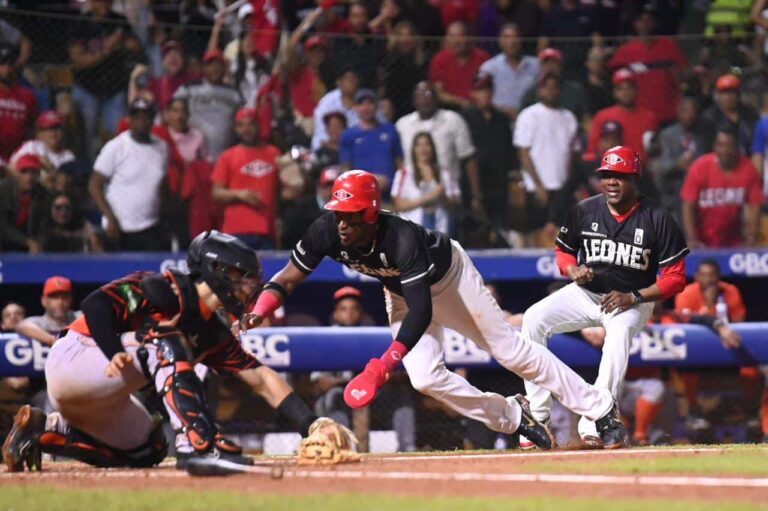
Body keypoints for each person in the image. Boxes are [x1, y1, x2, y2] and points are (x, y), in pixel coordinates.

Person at [238, 170, 629, 451]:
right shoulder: (326, 229)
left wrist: (380, 367)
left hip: (450, 280)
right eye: (339, 213)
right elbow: (288, 277)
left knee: (509, 351)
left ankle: (601, 408)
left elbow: (422, 312)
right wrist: (261, 307)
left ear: (371, 213)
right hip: (402, 291)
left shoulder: (401, 238)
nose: (343, 223)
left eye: (352, 214)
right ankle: (512, 416)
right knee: (424, 378)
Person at [2, 231, 327, 473]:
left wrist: (314, 426)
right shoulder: (163, 287)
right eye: (241, 278)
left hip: (105, 395)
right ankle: (197, 446)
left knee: (149, 449)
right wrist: (114, 349)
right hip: (76, 358)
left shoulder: (211, 329)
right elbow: (95, 304)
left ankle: (44, 430)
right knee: (167, 339)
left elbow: (261, 379)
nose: (248, 288)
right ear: (217, 270)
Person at [519, 146, 689, 449]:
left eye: (619, 176)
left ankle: (597, 420)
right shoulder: (585, 209)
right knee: (533, 318)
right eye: (607, 175)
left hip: (631, 300)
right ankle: (538, 416)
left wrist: (634, 296)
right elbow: (563, 252)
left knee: (619, 334)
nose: (611, 181)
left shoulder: (657, 218)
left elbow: (676, 278)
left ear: (635, 179)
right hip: (586, 293)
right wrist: (572, 270)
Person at [311, 286, 417, 452]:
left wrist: (373, 382)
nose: (349, 313)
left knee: (400, 396)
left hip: (376, 397)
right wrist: (356, 383)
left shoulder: (374, 334)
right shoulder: (327, 337)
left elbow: (397, 374)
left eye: (354, 309)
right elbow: (320, 382)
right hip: (342, 396)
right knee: (333, 396)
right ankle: (341, 448)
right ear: (336, 313)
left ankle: (408, 447)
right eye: (344, 309)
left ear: (361, 312)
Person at [89, 98, 171, 251]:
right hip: (120, 228)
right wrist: (110, 218)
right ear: (130, 119)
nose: (142, 121)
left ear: (153, 119)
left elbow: (162, 185)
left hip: (150, 226)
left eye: (146, 117)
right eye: (137, 117)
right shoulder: (116, 146)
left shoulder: (162, 148)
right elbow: (95, 185)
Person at [396, 82, 483, 223]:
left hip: (447, 196)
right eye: (419, 95)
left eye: (428, 94)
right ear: (413, 100)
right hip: (413, 199)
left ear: (436, 97)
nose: (424, 99)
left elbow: (468, 158)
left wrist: (476, 195)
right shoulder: (402, 125)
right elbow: (398, 160)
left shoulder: (453, 120)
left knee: (444, 241)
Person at [514, 73, 579, 247]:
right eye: (546, 86)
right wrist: (538, 185)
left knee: (561, 239)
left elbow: (573, 153)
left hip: (562, 189)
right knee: (535, 237)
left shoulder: (569, 117)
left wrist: (570, 186)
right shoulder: (529, 115)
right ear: (539, 89)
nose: (551, 91)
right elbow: (523, 153)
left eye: (554, 87)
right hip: (537, 188)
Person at [680, 126, 762, 248]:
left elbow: (755, 206)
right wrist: (692, 239)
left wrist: (751, 238)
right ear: (714, 147)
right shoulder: (700, 167)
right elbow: (688, 206)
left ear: (737, 147)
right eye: (720, 145)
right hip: (702, 241)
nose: (725, 150)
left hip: (735, 241)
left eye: (729, 145)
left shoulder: (748, 169)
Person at [211, 108, 281, 250]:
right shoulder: (228, 156)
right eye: (241, 125)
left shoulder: (274, 153)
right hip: (236, 231)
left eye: (250, 124)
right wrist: (239, 194)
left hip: (267, 230)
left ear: (259, 126)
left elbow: (283, 191)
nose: (246, 129)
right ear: (236, 129)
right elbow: (216, 193)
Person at [607, 6, 686, 124]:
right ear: (635, 24)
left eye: (649, 21)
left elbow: (683, 72)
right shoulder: (626, 50)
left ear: (655, 24)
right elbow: (613, 76)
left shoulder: (668, 45)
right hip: (638, 114)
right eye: (641, 21)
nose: (645, 24)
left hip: (668, 113)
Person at [461, 72, 514, 241]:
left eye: (487, 89)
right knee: (475, 229)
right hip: (473, 185)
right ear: (473, 94)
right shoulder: (465, 118)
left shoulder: (502, 119)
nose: (484, 94)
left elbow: (509, 150)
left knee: (500, 229)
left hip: (499, 183)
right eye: (480, 90)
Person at [173, 49, 242, 161]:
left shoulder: (234, 94)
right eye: (210, 64)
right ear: (203, 68)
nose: (214, 68)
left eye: (218, 64)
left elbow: (241, 121)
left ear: (224, 68)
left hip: (224, 157)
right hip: (194, 156)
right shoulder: (189, 88)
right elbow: (172, 113)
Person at [391, 132, 459, 234]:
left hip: (439, 227)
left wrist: (442, 196)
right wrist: (429, 197)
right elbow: (399, 205)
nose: (423, 149)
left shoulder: (444, 173)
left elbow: (453, 204)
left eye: (427, 144)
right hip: (414, 229)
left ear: (432, 148)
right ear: (414, 149)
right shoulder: (404, 174)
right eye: (418, 145)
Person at [587, 69, 658, 164]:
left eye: (629, 88)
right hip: (611, 169)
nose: (625, 93)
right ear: (615, 92)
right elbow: (593, 149)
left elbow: (654, 151)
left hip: (641, 171)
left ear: (636, 90)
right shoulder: (602, 116)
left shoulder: (649, 117)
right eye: (620, 89)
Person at [339, 89, 403, 194]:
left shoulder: (390, 130)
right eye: (361, 104)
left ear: (377, 106)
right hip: (361, 195)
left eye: (370, 103)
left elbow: (400, 162)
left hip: (390, 194)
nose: (366, 108)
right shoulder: (348, 135)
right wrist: (368, 182)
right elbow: (345, 168)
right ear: (355, 107)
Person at [478, 23, 539, 122]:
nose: (511, 42)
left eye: (515, 37)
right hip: (498, 122)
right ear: (500, 41)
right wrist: (507, 112)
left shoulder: (536, 65)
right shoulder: (489, 68)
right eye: (506, 37)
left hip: (531, 121)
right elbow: (480, 99)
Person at [429, 21, 490, 110]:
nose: (455, 41)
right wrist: (461, 102)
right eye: (451, 36)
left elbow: (488, 90)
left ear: (468, 38)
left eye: (459, 36)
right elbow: (439, 93)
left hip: (479, 110)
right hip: (450, 110)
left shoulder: (483, 59)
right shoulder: (439, 60)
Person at [698, 74, 759, 156]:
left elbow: (758, 141)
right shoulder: (709, 118)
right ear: (718, 95)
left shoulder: (750, 113)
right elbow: (704, 149)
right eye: (724, 93)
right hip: (721, 162)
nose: (728, 97)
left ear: (738, 94)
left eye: (732, 92)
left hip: (749, 159)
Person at [15, 276, 81, 349]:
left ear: (70, 300)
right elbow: (22, 325)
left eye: (64, 297)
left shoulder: (77, 317)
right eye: (54, 297)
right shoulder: (39, 322)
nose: (60, 302)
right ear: (44, 301)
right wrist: (51, 340)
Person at [10, 111, 75, 178]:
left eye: (57, 128)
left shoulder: (68, 157)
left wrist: (50, 168)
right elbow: (10, 168)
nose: (53, 133)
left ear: (63, 132)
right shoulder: (32, 147)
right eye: (49, 128)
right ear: (39, 133)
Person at [0, 43, 36, 161]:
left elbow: (33, 129)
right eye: (2, 63)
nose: (7, 68)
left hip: (19, 160)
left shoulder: (27, 96)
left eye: (10, 63)